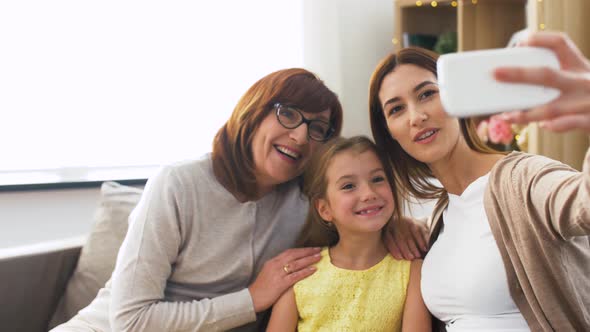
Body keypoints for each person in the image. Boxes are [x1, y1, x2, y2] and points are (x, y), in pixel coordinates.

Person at [52, 68, 344, 332]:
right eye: (289, 114)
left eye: (317, 128)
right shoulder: (178, 184)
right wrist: (252, 299)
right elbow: (131, 321)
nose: (302, 136)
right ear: (254, 112)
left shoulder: (308, 204)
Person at [368, 31, 590, 331]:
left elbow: (583, 206)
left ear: (457, 96)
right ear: (390, 133)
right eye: (396, 109)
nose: (416, 116)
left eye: (427, 94)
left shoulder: (523, 180)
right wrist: (391, 227)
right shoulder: (436, 220)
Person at [266, 136, 431, 332]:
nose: (368, 193)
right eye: (348, 186)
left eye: (377, 179)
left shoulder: (412, 272)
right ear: (324, 209)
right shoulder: (301, 272)